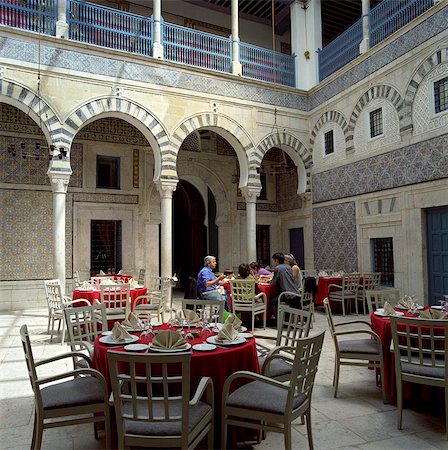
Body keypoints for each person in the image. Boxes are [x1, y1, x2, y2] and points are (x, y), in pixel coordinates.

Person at [269, 252, 300, 320]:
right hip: (296, 293)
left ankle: (280, 320)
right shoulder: (289, 267)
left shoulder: (278, 268)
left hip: (287, 295)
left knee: (272, 302)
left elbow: (273, 283)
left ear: (276, 260)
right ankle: (286, 318)